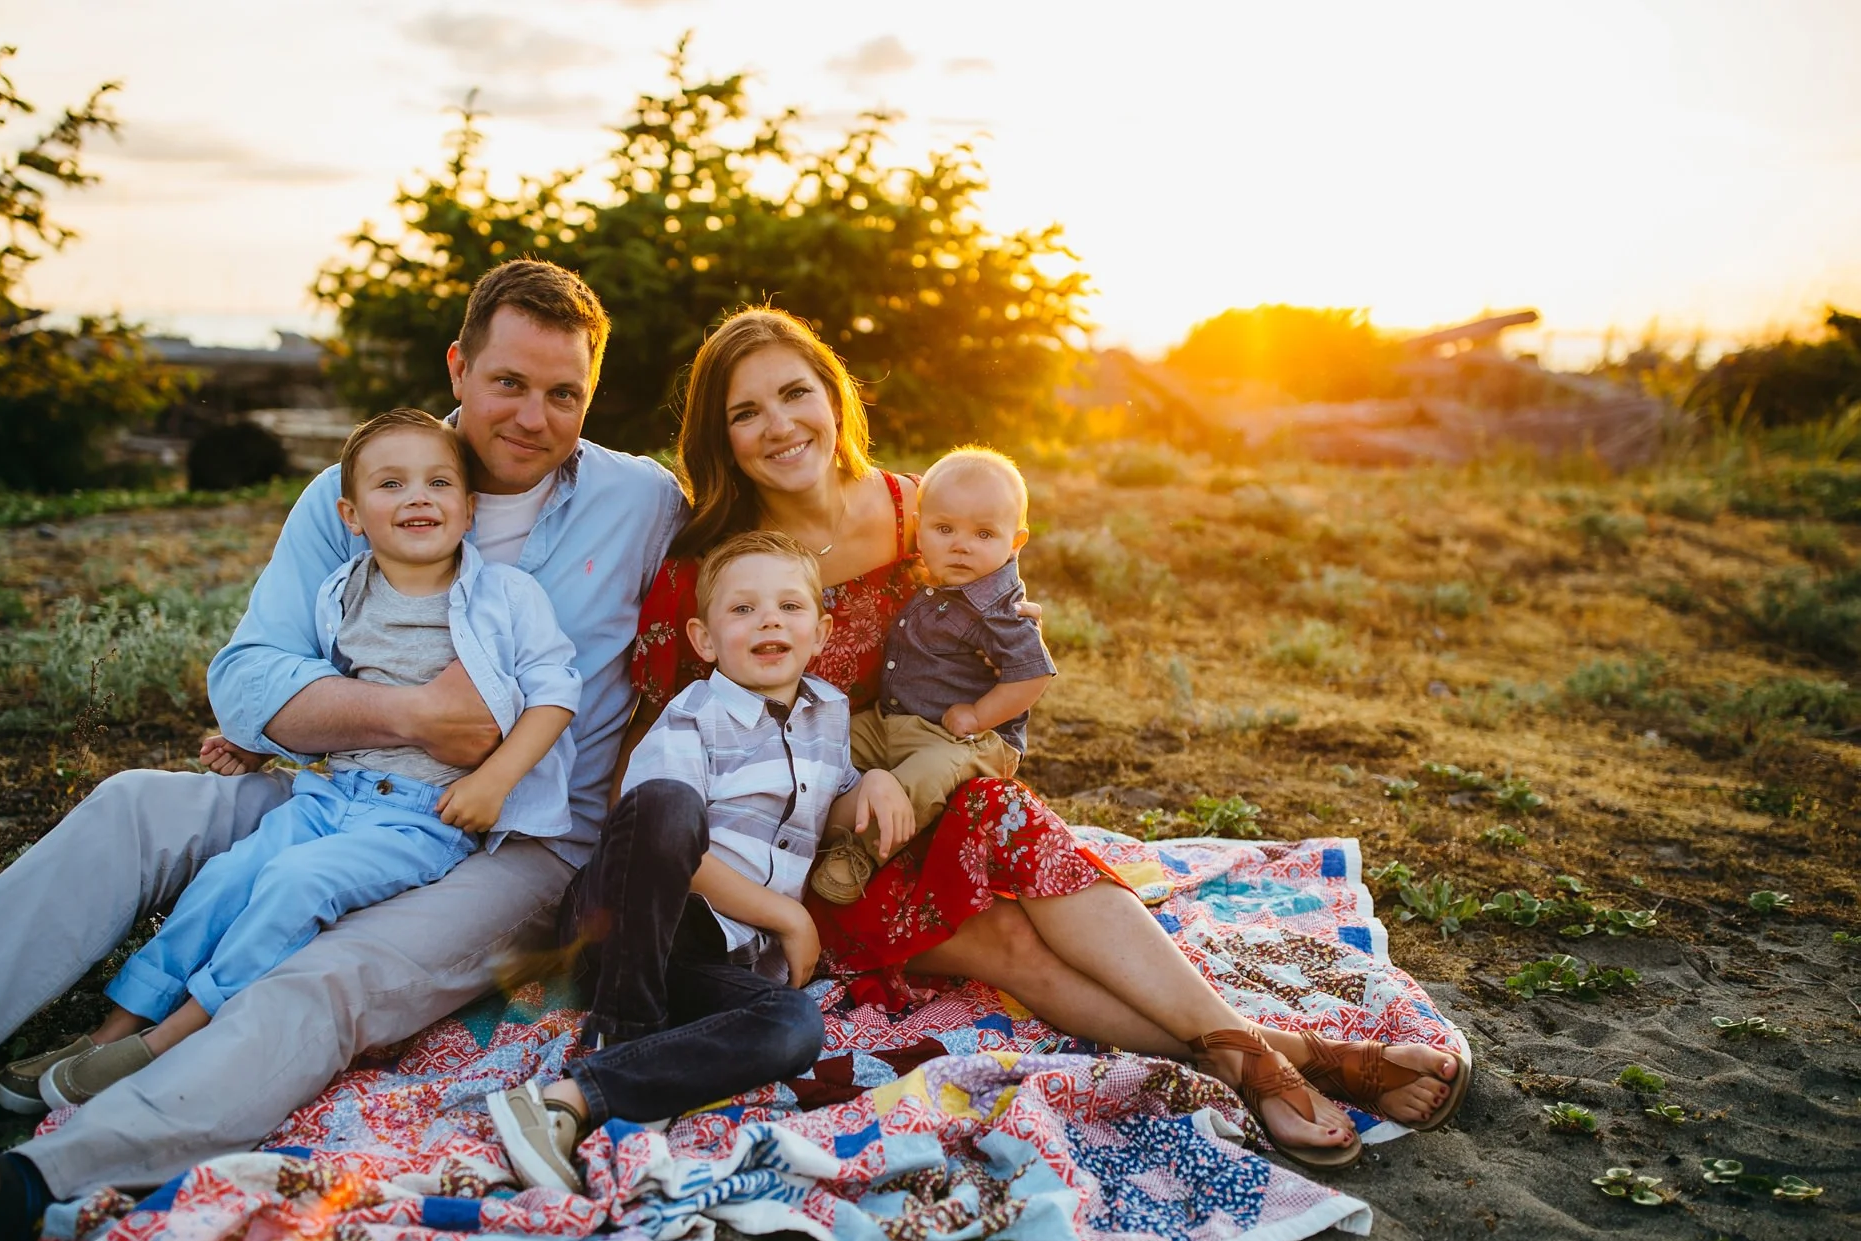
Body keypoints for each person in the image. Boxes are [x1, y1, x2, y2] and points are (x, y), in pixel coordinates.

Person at [0, 259, 688, 1241]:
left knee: (330, 969)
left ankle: (6, 1197)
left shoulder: (638, 498)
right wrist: (412, 715)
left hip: (517, 842)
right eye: (508, 382)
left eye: (565, 394)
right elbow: (246, 681)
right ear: (457, 366)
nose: (532, 416)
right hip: (346, 791)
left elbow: (775, 541)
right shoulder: (356, 490)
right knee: (139, 801)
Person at [630, 306, 1472, 1173]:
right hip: (806, 842)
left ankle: (1245, 1053)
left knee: (1007, 815)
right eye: (745, 412)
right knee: (1011, 946)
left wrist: (1006, 635)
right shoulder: (710, 574)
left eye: (795, 393)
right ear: (718, 437)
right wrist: (839, 796)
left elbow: (1000, 632)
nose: (779, 426)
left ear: (834, 398)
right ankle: (1285, 1057)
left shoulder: (919, 509)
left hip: (937, 775)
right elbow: (675, 768)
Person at [27, 408, 581, 1110]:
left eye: (439, 482)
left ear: (468, 509)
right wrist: (260, 742)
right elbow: (320, 688)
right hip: (329, 796)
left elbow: (555, 693)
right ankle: (123, 1022)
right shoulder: (340, 593)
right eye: (392, 484)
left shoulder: (504, 597)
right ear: (352, 514)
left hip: (419, 818)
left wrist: (497, 780)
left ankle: (175, 1038)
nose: (418, 497)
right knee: (231, 877)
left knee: (295, 882)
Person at [490, 531, 911, 1191]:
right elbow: (665, 845)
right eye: (742, 609)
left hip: (707, 958)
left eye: (788, 607)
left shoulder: (828, 713)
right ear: (705, 640)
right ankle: (620, 1032)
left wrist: (871, 784)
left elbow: (821, 803)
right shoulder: (693, 718)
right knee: (668, 801)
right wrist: (786, 916)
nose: (769, 619)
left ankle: (577, 1097)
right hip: (627, 916)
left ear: (822, 631)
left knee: (793, 1026)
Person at [809, 445, 1052, 904]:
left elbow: (1031, 675)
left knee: (921, 778)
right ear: (921, 529)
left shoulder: (1001, 611)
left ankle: (859, 852)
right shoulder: (933, 578)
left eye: (984, 534)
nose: (961, 545)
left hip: (964, 741)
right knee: (827, 738)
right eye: (945, 529)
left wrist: (979, 716)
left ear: (1015, 542)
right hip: (892, 721)